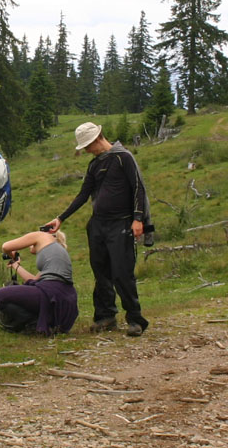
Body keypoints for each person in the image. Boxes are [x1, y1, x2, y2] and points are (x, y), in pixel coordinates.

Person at [44, 122, 152, 337]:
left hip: (121, 223)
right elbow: (83, 194)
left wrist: (138, 219)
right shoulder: (95, 165)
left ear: (96, 139)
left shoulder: (124, 157)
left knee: (122, 272)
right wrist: (61, 218)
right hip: (98, 224)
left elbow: (139, 188)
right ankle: (105, 316)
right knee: (100, 271)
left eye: (87, 145)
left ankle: (135, 319)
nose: (86, 150)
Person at [0, 229, 78, 335]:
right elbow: (35, 280)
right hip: (66, 301)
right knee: (23, 292)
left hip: (51, 292)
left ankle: (33, 323)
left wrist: (11, 254)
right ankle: (43, 322)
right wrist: (15, 265)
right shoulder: (55, 255)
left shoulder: (42, 236)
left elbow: (5, 247)